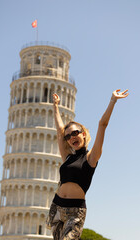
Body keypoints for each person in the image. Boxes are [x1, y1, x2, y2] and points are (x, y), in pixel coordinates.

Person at [46, 89, 129, 240]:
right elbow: (59, 132)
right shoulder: (68, 157)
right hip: (57, 206)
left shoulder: (91, 157)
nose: (72, 137)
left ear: (83, 133)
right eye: (69, 136)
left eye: (75, 133)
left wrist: (113, 100)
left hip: (75, 211)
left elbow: (102, 124)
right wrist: (55, 106)